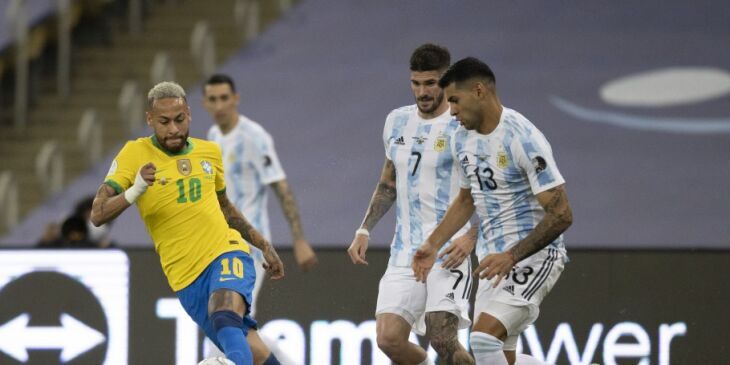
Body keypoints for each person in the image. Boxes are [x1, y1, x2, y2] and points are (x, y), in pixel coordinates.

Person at [90, 81, 285, 365]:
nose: (173, 129)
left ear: (189, 115)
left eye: (180, 120)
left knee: (224, 314)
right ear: (149, 120)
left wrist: (262, 244)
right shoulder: (134, 154)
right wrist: (134, 191)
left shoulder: (209, 153)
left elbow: (225, 207)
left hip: (226, 251)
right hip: (186, 278)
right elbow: (97, 214)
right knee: (250, 350)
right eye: (164, 122)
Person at [412, 57, 573, 365]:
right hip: (491, 261)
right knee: (500, 358)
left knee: (483, 340)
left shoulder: (522, 138)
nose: (452, 110)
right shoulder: (461, 139)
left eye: (456, 101)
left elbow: (562, 214)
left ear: (479, 91)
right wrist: (432, 244)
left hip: (534, 256)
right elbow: (465, 200)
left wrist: (511, 256)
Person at [347, 43, 477, 365]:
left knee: (442, 338)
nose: (422, 92)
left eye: (430, 83)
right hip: (405, 251)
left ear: (447, 81)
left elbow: (485, 191)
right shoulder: (396, 122)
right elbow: (389, 182)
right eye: (416, 83)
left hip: (448, 251)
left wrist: (472, 236)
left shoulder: (463, 126)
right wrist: (364, 228)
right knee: (388, 339)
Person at [203, 74, 317, 364]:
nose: (219, 105)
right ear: (205, 103)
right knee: (239, 328)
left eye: (224, 98)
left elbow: (281, 186)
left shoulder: (254, 137)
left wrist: (299, 240)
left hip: (250, 248)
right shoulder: (213, 138)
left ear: (236, 99)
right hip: (220, 246)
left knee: (225, 321)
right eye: (213, 99)